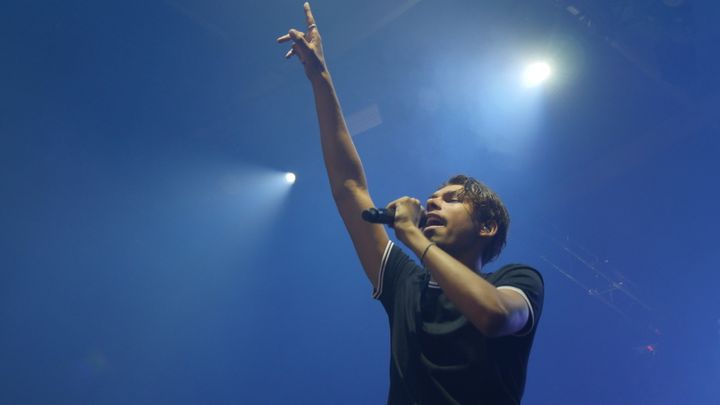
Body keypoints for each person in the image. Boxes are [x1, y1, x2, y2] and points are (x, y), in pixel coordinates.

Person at [278, 4, 544, 404]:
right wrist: (320, 77)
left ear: (487, 226)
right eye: (432, 198)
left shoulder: (517, 280)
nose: (433, 204)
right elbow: (349, 186)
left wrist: (412, 237)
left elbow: (495, 316)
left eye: (451, 200)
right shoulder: (406, 283)